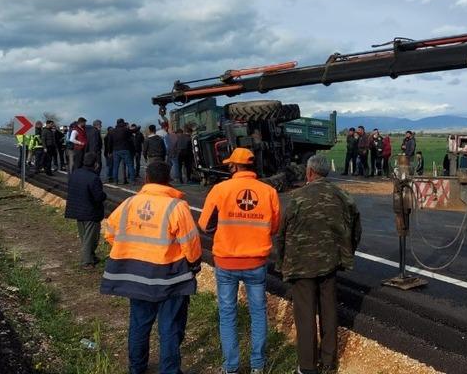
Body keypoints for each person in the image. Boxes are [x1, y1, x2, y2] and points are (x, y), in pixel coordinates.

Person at [101, 161, 202, 374]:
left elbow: (110, 231)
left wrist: (134, 250)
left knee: (139, 323)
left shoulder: (129, 203)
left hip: (136, 276)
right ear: (169, 180)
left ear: (146, 178)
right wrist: (192, 265)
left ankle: (136, 368)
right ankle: (170, 370)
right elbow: (191, 244)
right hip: (169, 278)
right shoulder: (176, 206)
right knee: (170, 327)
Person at [275, 155, 362, 374]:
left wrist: (282, 262)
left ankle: (307, 367)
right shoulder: (342, 196)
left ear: (310, 172)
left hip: (301, 265)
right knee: (329, 309)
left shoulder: (298, 197)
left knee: (305, 315)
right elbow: (356, 229)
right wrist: (346, 253)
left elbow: (282, 233)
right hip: (330, 262)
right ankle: (329, 361)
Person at [199, 148, 280, 374]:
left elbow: (205, 224)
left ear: (234, 167)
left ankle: (231, 367)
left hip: (226, 261)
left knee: (227, 314)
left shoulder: (220, 190)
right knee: (258, 313)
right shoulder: (269, 192)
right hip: (256, 262)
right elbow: (274, 227)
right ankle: (258, 366)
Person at [65, 153, 107, 268]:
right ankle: (86, 261)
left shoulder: (76, 173)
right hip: (90, 212)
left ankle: (91, 256)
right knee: (91, 238)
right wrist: (104, 195)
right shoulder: (93, 178)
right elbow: (98, 197)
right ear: (96, 164)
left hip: (77, 210)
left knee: (85, 236)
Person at [110, 119, 136, 185]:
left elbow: (110, 142)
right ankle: (132, 181)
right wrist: (136, 127)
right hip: (125, 149)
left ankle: (115, 181)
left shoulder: (113, 131)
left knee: (115, 167)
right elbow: (134, 131)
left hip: (115, 150)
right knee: (130, 165)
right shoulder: (125, 130)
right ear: (122, 123)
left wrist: (110, 151)